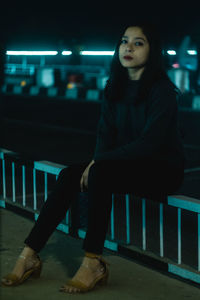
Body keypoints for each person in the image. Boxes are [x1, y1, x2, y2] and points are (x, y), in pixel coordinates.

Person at [1, 23, 185, 293]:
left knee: (99, 173)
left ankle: (92, 262)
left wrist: (100, 163)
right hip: (126, 164)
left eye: (138, 42)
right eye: (124, 41)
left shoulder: (162, 91)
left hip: (162, 169)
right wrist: (97, 160)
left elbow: (150, 143)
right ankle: (29, 254)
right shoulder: (115, 86)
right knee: (68, 175)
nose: (128, 47)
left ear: (152, 50)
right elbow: (105, 133)